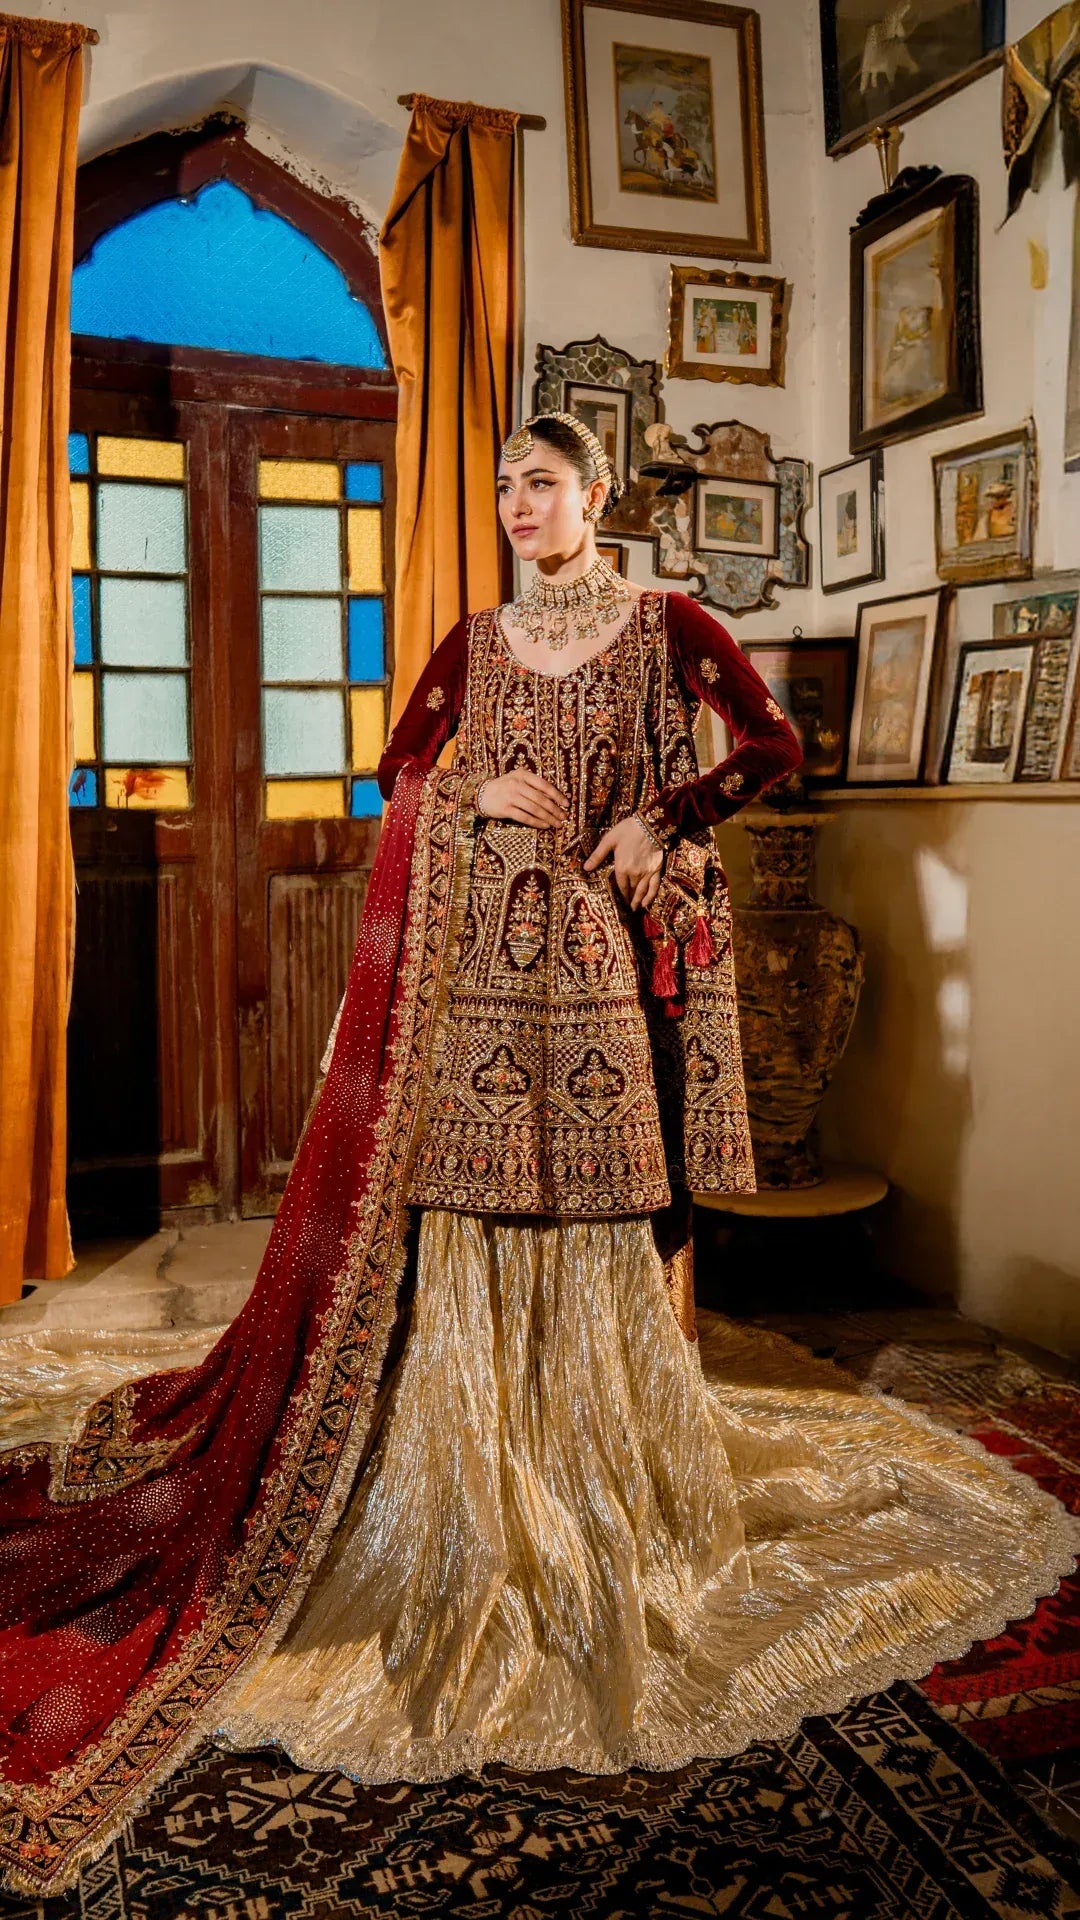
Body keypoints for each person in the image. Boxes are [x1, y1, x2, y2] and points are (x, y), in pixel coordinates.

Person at [0, 413, 1075, 1902]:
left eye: (545, 482)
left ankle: (598, 1463)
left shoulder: (670, 625)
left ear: (596, 495)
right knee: (460, 1204)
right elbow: (398, 768)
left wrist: (659, 815)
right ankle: (452, 1465)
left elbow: (774, 747)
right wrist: (470, 796)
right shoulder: (476, 642)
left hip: (604, 968)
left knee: (604, 1204)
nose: (519, 503)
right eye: (506, 483)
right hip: (473, 981)